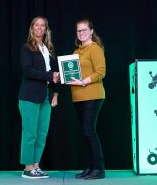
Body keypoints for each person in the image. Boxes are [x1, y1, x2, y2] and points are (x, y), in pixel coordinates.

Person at [18, 16, 59, 179]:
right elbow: (27, 70)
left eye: (43, 25)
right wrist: (50, 76)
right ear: (32, 28)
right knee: (30, 133)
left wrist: (55, 93)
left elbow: (54, 74)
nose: (40, 28)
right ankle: (28, 168)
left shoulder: (48, 49)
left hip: (46, 97)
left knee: (42, 133)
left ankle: (36, 166)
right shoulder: (26, 48)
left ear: (46, 29)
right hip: (29, 96)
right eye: (37, 25)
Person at [68, 18, 106, 180]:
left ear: (91, 31)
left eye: (84, 30)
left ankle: (99, 169)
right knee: (85, 133)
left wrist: (83, 81)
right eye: (79, 31)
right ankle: (89, 168)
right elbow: (72, 73)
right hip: (78, 97)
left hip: (93, 94)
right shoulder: (76, 52)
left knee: (89, 132)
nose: (81, 33)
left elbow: (101, 72)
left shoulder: (95, 48)